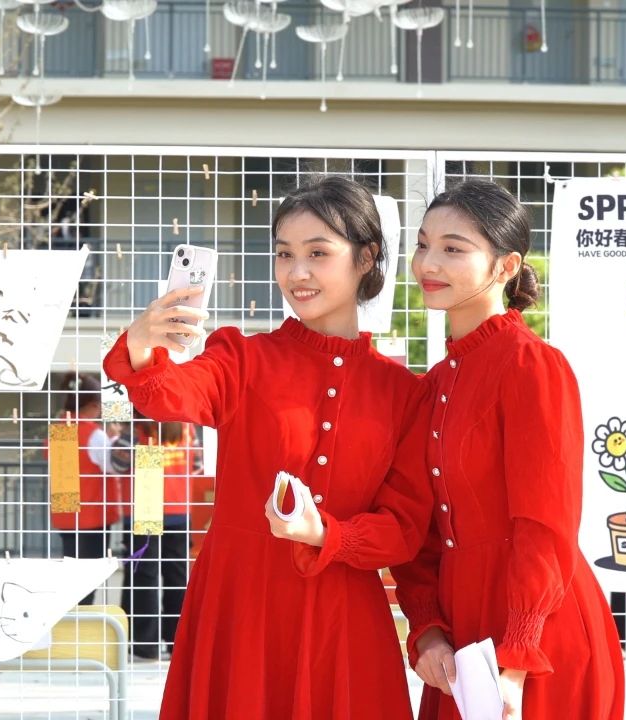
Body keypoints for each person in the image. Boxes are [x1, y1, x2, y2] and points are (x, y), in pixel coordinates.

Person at [103, 176, 431, 719]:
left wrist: (327, 534)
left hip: (344, 614)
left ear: (366, 257)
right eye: (284, 254)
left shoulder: (403, 393)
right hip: (242, 606)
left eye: (318, 253)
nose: (297, 273)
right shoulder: (242, 357)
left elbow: (404, 527)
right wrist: (143, 345)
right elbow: (170, 394)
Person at [392, 180, 624, 720]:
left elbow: (545, 523)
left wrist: (516, 655)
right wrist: (427, 630)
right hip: (459, 641)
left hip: (539, 637)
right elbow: (419, 529)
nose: (429, 262)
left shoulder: (531, 365)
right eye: (423, 244)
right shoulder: (432, 386)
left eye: (454, 248)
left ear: (505, 265)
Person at [123, 420, 197, 660]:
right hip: (179, 508)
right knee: (177, 577)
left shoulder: (139, 429)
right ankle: (177, 641)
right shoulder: (187, 427)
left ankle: (145, 644)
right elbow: (197, 464)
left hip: (146, 506)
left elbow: (117, 464)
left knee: (144, 576)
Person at [53, 373, 120, 605]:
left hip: (66, 516)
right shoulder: (94, 434)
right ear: (92, 405)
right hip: (92, 516)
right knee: (88, 581)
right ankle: (82, 623)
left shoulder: (59, 429)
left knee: (71, 579)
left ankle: (71, 621)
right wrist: (114, 440)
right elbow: (113, 465)